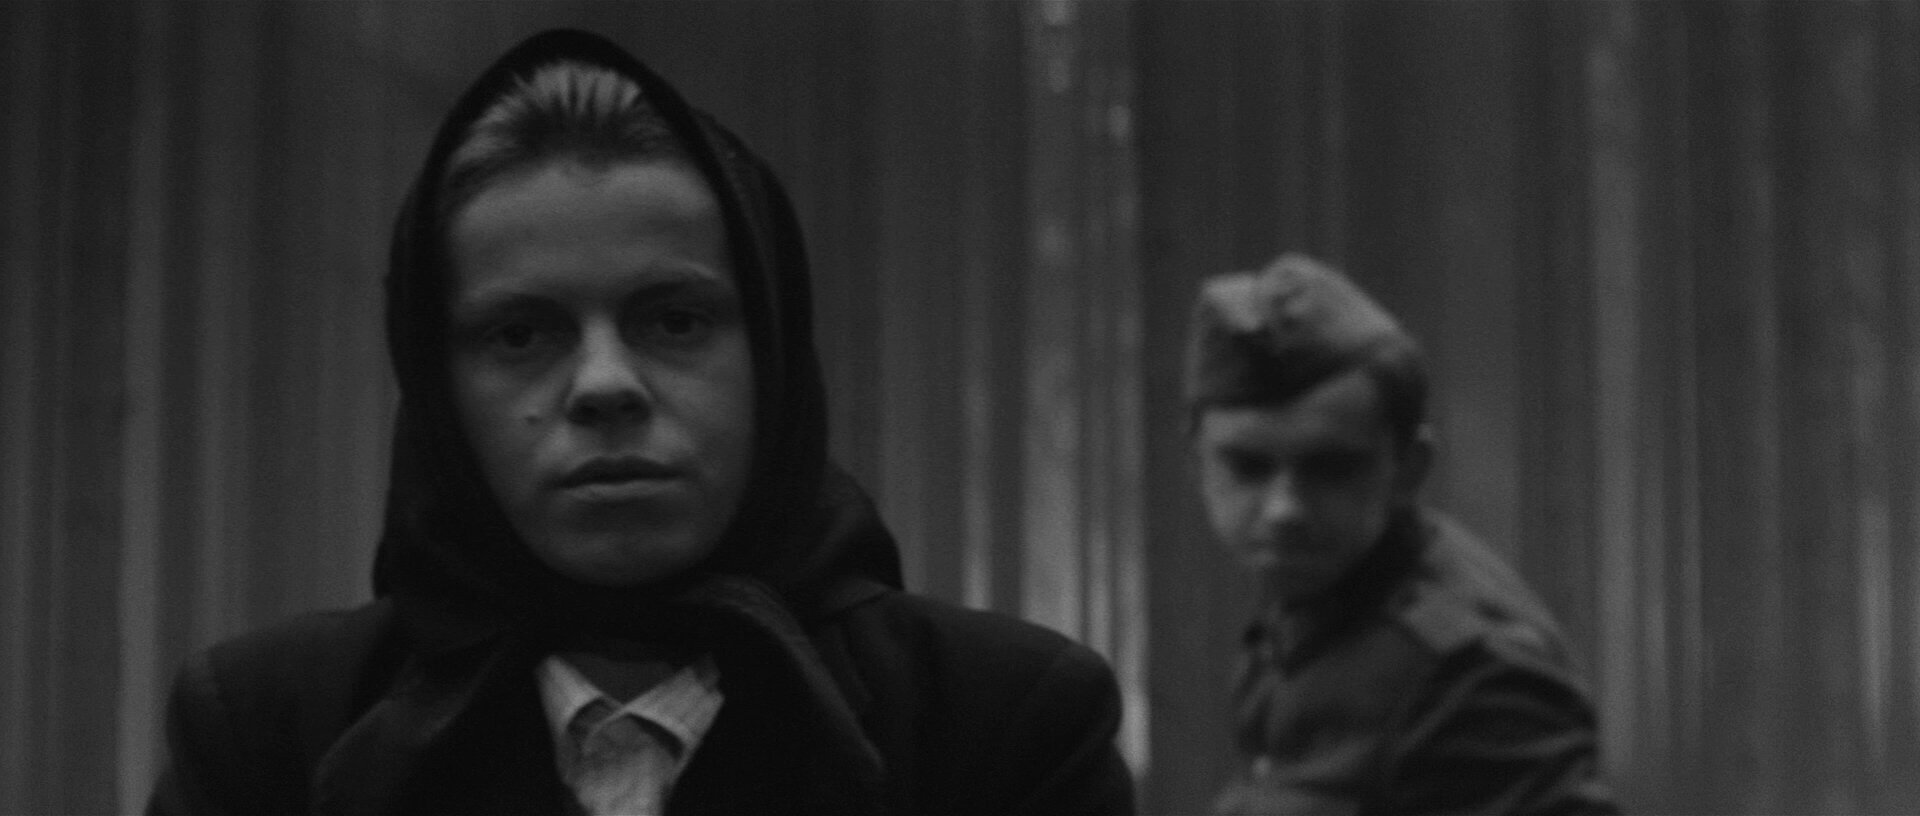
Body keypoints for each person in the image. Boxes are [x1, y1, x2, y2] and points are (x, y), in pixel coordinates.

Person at [147, 29, 1133, 816]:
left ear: (772, 358)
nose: (605, 384)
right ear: (438, 394)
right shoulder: (270, 732)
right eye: (522, 333)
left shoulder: (1004, 722)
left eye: (675, 321)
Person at [1185, 253, 1617, 815]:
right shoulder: (1309, 608)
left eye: (1330, 468)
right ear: (1197, 464)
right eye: (1248, 466)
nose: (1283, 509)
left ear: (1408, 470)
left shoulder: (1470, 673)